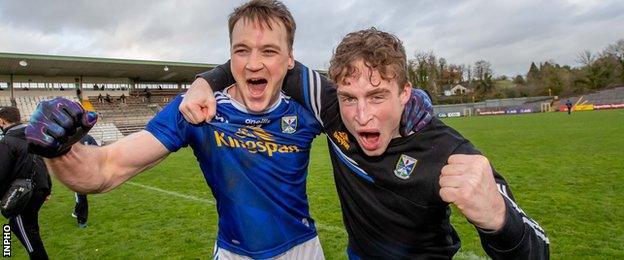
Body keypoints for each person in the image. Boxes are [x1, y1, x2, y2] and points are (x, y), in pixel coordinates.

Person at [181, 28, 550, 259]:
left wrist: (499, 221)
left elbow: (538, 248)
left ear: (405, 93)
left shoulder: (449, 151)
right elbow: (258, 61)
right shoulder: (328, 104)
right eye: (349, 97)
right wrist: (203, 82)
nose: (360, 116)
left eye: (376, 96)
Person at [0, 106, 52, 260]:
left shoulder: (7, 141)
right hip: (38, 188)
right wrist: (47, 188)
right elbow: (44, 163)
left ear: (2, 121)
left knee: (21, 227)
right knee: (28, 227)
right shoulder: (33, 137)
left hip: (24, 192)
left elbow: (1, 172)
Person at [71, 134, 98, 228]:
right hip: (77, 173)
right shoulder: (71, 139)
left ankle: (78, 214)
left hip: (86, 172)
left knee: (82, 196)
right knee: (81, 196)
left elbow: (97, 151)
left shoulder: (88, 138)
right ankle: (81, 220)